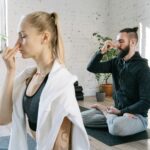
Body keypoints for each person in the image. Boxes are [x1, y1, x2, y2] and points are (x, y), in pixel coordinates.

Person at [0, 11, 90, 150]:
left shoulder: (60, 84)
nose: (17, 44)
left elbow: (62, 144)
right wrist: (10, 71)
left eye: (23, 36)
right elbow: (3, 118)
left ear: (45, 37)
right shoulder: (28, 78)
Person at [82, 27, 150, 136]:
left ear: (132, 42)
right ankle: (112, 118)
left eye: (121, 42)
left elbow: (146, 102)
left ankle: (108, 116)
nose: (117, 45)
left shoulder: (143, 68)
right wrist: (102, 51)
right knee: (81, 118)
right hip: (116, 112)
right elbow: (92, 68)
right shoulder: (116, 62)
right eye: (117, 41)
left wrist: (120, 112)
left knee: (116, 128)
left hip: (136, 117)